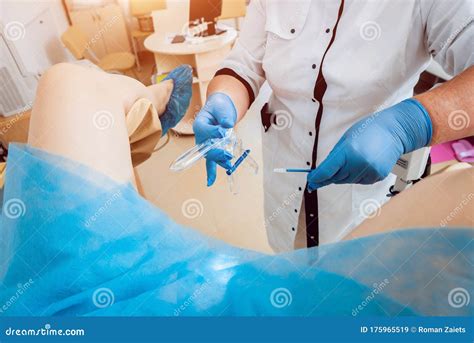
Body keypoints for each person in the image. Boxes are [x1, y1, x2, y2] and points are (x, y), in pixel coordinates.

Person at [0, 63, 472, 316]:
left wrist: (414, 121)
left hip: (103, 305)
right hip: (299, 265)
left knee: (69, 82)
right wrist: (226, 97)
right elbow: (245, 62)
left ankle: (157, 101)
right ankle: (156, 109)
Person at [193, 0, 474, 252]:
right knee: (292, 274)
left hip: (363, 202)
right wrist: (224, 99)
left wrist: (410, 125)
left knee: (352, 288)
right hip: (285, 188)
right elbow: (245, 64)